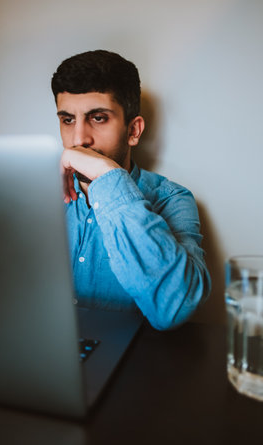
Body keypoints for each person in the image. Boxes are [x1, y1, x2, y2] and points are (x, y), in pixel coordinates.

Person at [51, 49, 211, 330]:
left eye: (98, 118)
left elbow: (174, 309)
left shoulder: (172, 199)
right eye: (67, 120)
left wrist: (105, 175)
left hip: (130, 367)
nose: (78, 139)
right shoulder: (38, 195)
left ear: (133, 131)